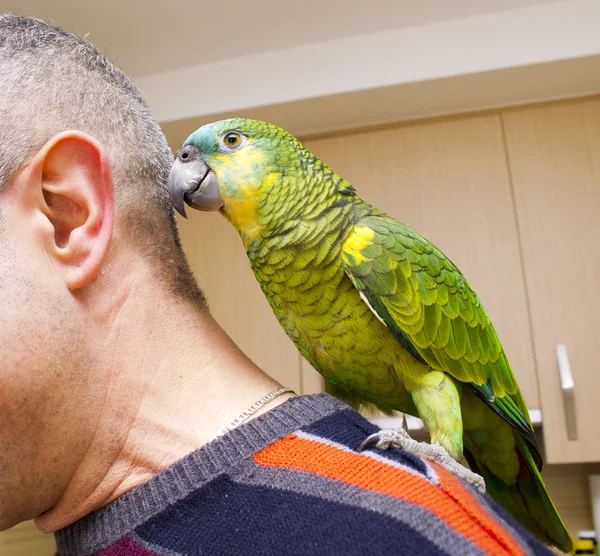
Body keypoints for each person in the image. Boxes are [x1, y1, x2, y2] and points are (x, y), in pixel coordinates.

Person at [0, 14, 553, 556]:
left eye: (231, 143)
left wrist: (436, 464)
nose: (193, 165)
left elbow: (440, 383)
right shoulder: (276, 270)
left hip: (469, 419)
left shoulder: (372, 247)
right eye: (189, 155)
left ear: (69, 213)